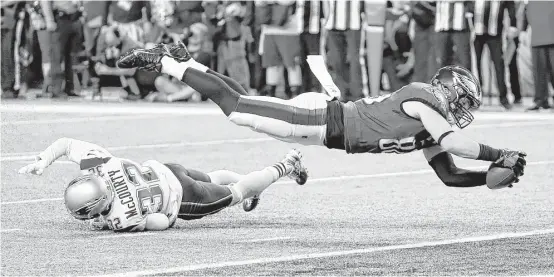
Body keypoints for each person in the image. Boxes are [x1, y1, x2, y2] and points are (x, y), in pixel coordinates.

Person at [117, 43, 527, 189]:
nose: (462, 111)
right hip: (321, 119)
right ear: (451, 91)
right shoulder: (423, 97)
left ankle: (190, 63)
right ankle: (166, 64)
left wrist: (492, 175)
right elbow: (455, 141)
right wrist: (499, 153)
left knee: (249, 104)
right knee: (241, 111)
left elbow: (450, 174)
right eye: (463, 102)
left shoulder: (430, 127)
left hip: (322, 131)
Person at [18, 137, 308, 232]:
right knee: (212, 177)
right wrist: (44, 160)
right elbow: (67, 145)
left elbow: (160, 221)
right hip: (168, 170)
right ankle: (253, 188)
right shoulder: (102, 165)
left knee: (237, 192)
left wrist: (105, 224)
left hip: (182, 198)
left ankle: (286, 166)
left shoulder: (121, 219)